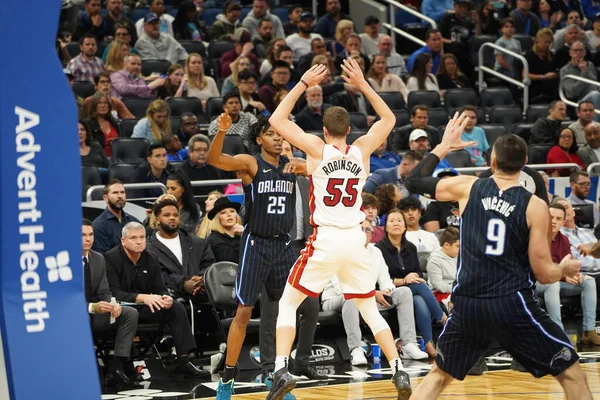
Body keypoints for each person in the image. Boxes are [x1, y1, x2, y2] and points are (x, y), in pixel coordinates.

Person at [403, 115, 589, 399]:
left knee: (440, 375)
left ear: (491, 162)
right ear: (525, 163)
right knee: (572, 372)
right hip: (511, 303)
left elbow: (413, 181)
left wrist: (442, 147)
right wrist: (562, 269)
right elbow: (542, 273)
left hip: (468, 304)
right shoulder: (535, 205)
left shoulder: (468, 186)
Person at [266, 60, 413, 399]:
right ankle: (398, 369)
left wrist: (303, 82)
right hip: (355, 238)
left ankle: (280, 369)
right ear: (350, 129)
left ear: (324, 127)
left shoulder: (316, 149)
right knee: (369, 309)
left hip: (326, 238)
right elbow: (389, 119)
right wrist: (362, 84)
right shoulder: (361, 150)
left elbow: (276, 120)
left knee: (288, 303)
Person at [207, 112, 316, 399]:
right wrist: (221, 132)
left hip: (283, 245)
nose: (278, 138)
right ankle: (227, 379)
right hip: (256, 244)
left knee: (290, 309)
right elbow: (214, 160)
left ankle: (276, 373)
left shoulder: (293, 166)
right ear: (259, 140)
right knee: (244, 312)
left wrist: (308, 163)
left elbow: (325, 169)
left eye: (280, 134)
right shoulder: (250, 163)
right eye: (271, 134)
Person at [104, 222, 207, 378]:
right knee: (130, 313)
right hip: (121, 308)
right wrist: (142, 297)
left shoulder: (151, 257)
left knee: (176, 308)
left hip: (147, 307)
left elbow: (160, 288)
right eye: (133, 238)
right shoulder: (110, 258)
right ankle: (124, 364)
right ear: (123, 241)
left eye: (142, 237)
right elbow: (113, 293)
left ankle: (183, 360)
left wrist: (166, 297)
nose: (139, 241)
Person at [322, 223, 429, 366]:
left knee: (404, 292)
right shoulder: (341, 252)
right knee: (351, 297)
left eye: (368, 230)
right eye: (361, 229)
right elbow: (342, 287)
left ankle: (408, 344)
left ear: (372, 235)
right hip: (336, 299)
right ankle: (356, 349)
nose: (364, 232)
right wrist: (373, 294)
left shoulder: (376, 252)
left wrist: (387, 290)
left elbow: (385, 279)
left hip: (367, 298)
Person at [376, 209, 447, 358]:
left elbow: (419, 273)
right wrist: (404, 280)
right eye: (392, 221)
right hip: (390, 291)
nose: (396, 223)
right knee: (420, 287)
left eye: (399, 220)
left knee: (419, 299)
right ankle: (443, 319)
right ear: (386, 227)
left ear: (405, 226)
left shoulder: (411, 247)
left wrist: (413, 275)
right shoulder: (379, 249)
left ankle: (428, 344)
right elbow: (380, 279)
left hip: (411, 290)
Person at [82, 219, 140, 388]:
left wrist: (113, 304)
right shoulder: (65, 262)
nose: (88, 239)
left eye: (91, 234)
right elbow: (65, 298)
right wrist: (92, 307)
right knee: (85, 317)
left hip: (97, 313)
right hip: (76, 316)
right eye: (83, 235)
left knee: (129, 313)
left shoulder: (98, 258)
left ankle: (117, 366)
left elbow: (104, 292)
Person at [534, 202, 600, 346]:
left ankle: (588, 331)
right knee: (552, 284)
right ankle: (558, 333)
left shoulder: (564, 239)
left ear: (563, 222)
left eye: (558, 219)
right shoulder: (536, 237)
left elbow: (568, 264)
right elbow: (540, 270)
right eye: (551, 217)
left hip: (558, 280)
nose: (554, 222)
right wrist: (563, 276)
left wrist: (575, 275)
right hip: (538, 282)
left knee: (588, 281)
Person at [146, 197, 215, 303]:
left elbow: (209, 265)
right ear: (157, 220)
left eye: (175, 215)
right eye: (167, 215)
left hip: (202, 300)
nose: (172, 218)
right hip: (170, 303)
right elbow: (158, 275)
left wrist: (201, 280)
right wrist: (183, 284)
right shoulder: (149, 248)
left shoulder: (197, 242)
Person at [92, 180, 141, 253]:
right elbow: (102, 258)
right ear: (105, 198)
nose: (120, 196)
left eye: (122, 192)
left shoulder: (134, 221)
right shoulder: (98, 225)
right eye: (115, 193)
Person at [560, 41, 600, 122]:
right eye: (575, 50)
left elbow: (595, 84)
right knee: (595, 94)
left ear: (585, 52)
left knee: (596, 94)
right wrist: (583, 72)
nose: (578, 53)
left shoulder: (590, 65)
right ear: (570, 53)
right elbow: (573, 93)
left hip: (596, 98)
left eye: (581, 50)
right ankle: (596, 128)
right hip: (578, 103)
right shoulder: (565, 70)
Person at [524, 28, 560, 104]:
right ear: (538, 42)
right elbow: (525, 75)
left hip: (549, 83)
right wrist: (543, 77)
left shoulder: (551, 55)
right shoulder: (530, 55)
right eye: (546, 42)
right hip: (535, 85)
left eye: (549, 42)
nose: (548, 45)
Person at [426, 227, 460, 302]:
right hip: (440, 294)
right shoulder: (434, 261)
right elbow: (438, 285)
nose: (460, 249)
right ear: (447, 245)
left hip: (459, 291)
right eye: (457, 246)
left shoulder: (461, 257)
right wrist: (458, 289)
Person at [206, 197, 243, 263]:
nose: (229, 215)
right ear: (217, 218)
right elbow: (232, 260)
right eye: (223, 213)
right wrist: (238, 237)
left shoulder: (244, 235)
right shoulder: (214, 239)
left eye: (232, 211)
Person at [86, 92, 120, 157]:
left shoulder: (116, 123)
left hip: (116, 160)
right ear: (94, 106)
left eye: (105, 103)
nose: (103, 105)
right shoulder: (88, 124)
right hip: (98, 160)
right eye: (100, 103)